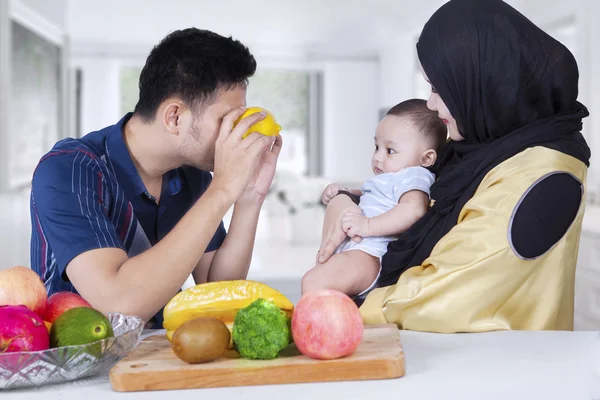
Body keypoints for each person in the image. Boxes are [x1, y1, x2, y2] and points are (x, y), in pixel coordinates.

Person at [317, 0, 591, 332]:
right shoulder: (474, 151)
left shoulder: (544, 173)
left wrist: (339, 305)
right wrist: (345, 200)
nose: (432, 104)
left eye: (439, 88)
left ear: (482, 81)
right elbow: (403, 195)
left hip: (498, 371)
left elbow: (442, 295)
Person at [29, 28, 282, 328]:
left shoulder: (194, 176)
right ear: (174, 117)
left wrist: (250, 197)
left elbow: (216, 288)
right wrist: (223, 189)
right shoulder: (69, 170)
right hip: (81, 361)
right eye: (225, 119)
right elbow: (118, 303)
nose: (235, 131)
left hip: (156, 356)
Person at [301, 99, 447, 299]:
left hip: (370, 254)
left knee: (314, 283)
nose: (378, 157)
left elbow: (414, 209)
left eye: (390, 151)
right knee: (322, 286)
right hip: (357, 249)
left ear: (426, 159)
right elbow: (370, 197)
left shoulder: (414, 174)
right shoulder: (389, 178)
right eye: (376, 146)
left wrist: (367, 225)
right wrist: (344, 191)